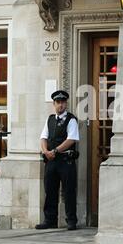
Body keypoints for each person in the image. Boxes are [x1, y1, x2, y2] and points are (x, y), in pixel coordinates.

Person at [36, 90, 79, 230]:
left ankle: (71, 221)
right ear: (54, 104)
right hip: (51, 160)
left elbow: (71, 139)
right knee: (50, 190)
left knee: (69, 191)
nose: (61, 105)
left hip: (65, 160)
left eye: (63, 102)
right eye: (58, 102)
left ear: (66, 103)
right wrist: (45, 151)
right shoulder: (50, 119)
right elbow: (43, 137)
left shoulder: (71, 119)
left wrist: (55, 151)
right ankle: (50, 220)